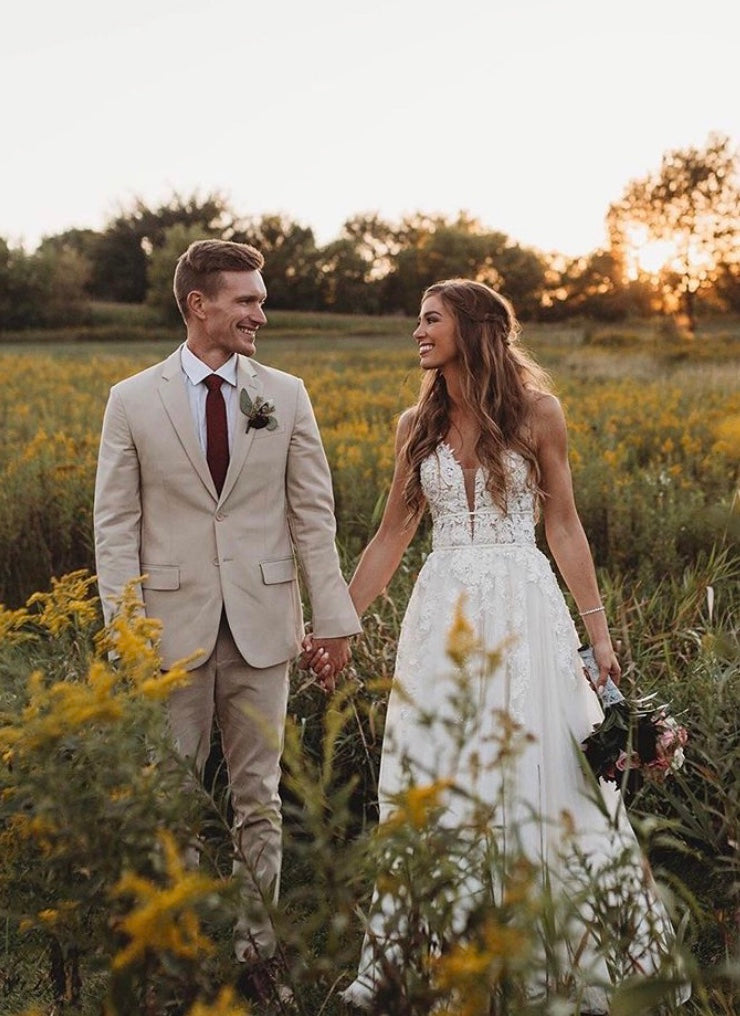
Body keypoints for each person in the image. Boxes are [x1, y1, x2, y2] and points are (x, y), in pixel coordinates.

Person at [324, 279, 683, 1012]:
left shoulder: (538, 413)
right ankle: (429, 952)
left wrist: (598, 631)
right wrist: (340, 620)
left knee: (539, 764)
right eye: (418, 319)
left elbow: (565, 526)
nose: (417, 332)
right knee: (440, 764)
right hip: (441, 611)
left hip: (526, 607)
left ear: (475, 328)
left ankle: (553, 952)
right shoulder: (413, 424)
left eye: (431, 320)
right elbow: (392, 535)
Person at [93, 239, 360, 1001]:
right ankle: (169, 950)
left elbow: (314, 516)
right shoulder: (131, 400)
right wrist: (127, 629)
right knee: (169, 793)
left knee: (259, 795)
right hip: (166, 632)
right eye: (246, 300)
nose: (260, 313)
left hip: (263, 624)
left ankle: (255, 953)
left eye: (261, 298)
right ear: (198, 305)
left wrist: (333, 621)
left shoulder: (287, 394)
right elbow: (114, 526)